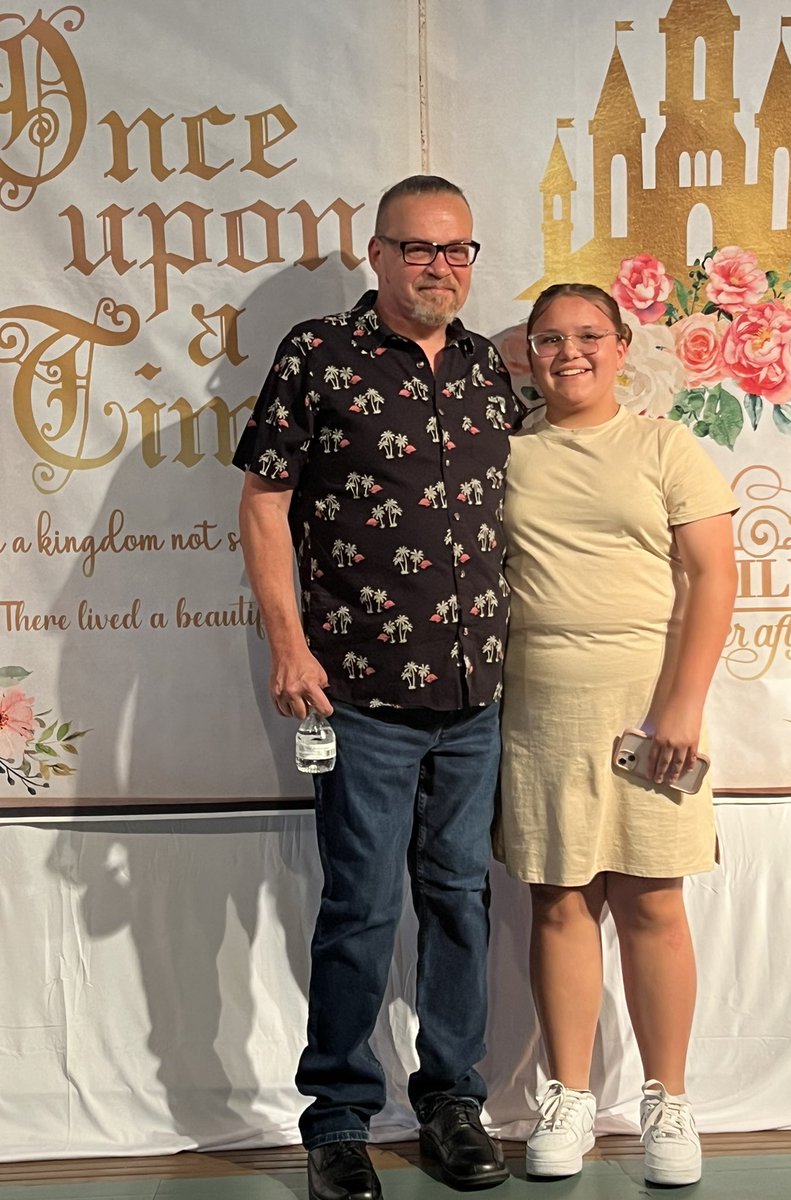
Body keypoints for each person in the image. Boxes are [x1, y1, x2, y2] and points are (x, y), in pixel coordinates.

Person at [233, 176, 517, 1200]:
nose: (438, 265)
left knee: (460, 900)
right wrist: (288, 645)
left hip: (476, 694)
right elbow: (264, 502)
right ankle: (340, 1121)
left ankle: (452, 1102)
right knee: (359, 907)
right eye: (418, 248)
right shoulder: (319, 354)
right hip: (357, 693)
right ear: (379, 253)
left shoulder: (490, 367)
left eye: (456, 249)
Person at [496, 283, 738, 1186]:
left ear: (622, 344)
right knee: (559, 899)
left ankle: (667, 1104)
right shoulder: (507, 455)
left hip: (650, 700)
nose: (570, 353)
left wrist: (681, 703)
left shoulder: (666, 444)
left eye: (588, 335)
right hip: (540, 702)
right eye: (550, 338)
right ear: (527, 352)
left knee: (652, 900)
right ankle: (565, 1099)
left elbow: (713, 578)